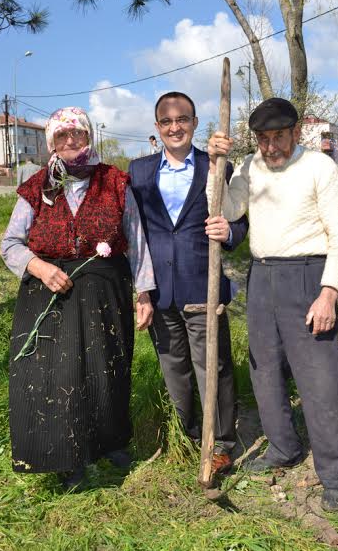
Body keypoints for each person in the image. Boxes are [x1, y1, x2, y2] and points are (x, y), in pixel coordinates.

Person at [206, 98, 338, 511]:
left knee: (320, 377)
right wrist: (217, 165)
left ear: (295, 133)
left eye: (278, 138)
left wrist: (329, 293)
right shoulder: (251, 166)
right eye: (263, 139)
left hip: (308, 274)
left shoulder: (319, 168)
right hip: (262, 276)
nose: (270, 147)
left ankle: (336, 473)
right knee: (264, 368)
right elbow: (228, 207)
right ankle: (283, 447)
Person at [1, 107, 155, 489]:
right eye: (62, 136)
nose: (71, 142)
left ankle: (112, 443)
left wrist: (144, 292)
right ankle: (67, 458)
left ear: (89, 137)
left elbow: (136, 242)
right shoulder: (37, 187)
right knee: (57, 375)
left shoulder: (115, 182)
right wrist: (39, 268)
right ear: (51, 142)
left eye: (79, 135)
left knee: (108, 368)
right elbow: (9, 244)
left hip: (105, 289)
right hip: (48, 292)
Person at [130, 92, 248, 473]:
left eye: (182, 119)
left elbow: (241, 221)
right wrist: (141, 289)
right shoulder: (139, 172)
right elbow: (133, 232)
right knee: (173, 368)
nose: (175, 127)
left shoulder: (217, 167)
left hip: (203, 287)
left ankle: (221, 443)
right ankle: (186, 434)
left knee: (213, 367)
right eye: (166, 121)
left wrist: (228, 231)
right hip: (160, 290)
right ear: (157, 128)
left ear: (195, 122)